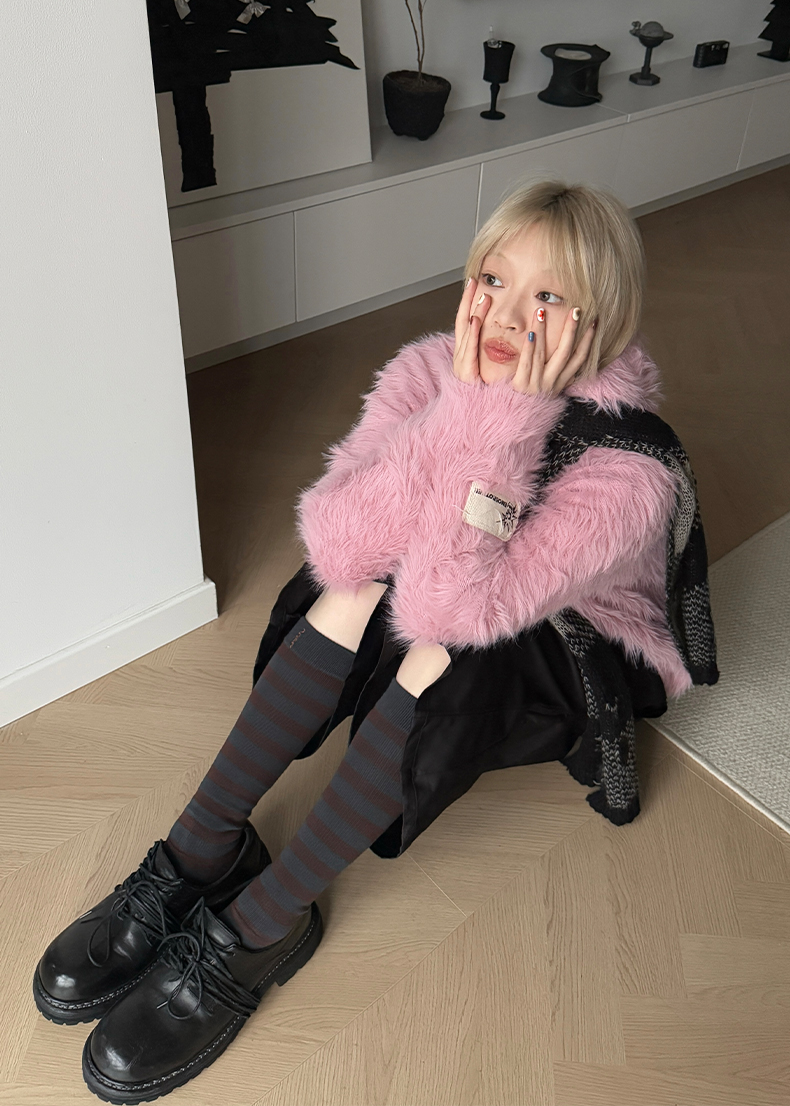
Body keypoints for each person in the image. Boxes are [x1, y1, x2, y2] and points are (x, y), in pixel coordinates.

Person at [33, 178, 717, 1103]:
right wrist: (455, 411)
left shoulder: (629, 472)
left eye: (549, 296)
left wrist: (495, 426)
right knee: (346, 590)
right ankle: (198, 851)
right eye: (493, 278)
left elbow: (451, 615)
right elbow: (341, 543)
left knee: (442, 660)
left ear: (599, 320)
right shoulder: (430, 369)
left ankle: (267, 922)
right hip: (455, 576)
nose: (505, 314)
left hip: (567, 645)